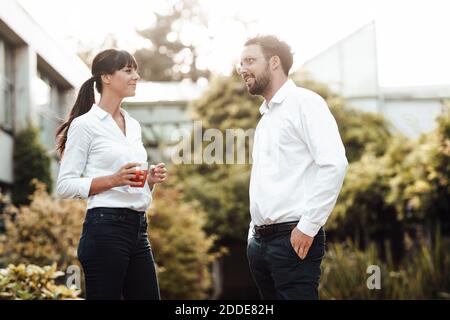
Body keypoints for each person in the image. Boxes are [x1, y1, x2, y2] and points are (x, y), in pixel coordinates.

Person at [236, 35, 348, 300]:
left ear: (274, 62)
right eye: (240, 63)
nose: (242, 69)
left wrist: (308, 226)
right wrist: (254, 232)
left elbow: (334, 164)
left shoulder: (305, 103)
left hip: (292, 239)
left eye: (250, 61)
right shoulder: (266, 118)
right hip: (260, 242)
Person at [55, 49, 167, 300]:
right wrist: (112, 180)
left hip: (138, 229)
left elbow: (133, 189)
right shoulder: (85, 125)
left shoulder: (134, 125)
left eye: (135, 70)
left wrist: (149, 181)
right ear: (106, 77)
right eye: (128, 70)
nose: (136, 76)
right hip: (105, 229)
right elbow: (64, 185)